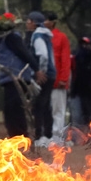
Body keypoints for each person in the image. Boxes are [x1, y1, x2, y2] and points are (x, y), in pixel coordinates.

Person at [0, 12, 39, 138]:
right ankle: (14, 136)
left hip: (16, 77)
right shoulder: (2, 39)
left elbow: (25, 54)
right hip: (9, 78)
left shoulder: (12, 38)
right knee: (10, 110)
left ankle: (20, 137)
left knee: (15, 109)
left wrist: (37, 69)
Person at [27, 11, 55, 148]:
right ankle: (48, 135)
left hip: (45, 74)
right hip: (51, 73)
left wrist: (41, 72)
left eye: (28, 20)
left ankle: (40, 135)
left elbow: (43, 55)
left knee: (39, 105)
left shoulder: (37, 36)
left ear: (33, 22)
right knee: (46, 104)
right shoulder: (46, 35)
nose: (27, 23)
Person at [45, 11, 71, 143]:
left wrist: (63, 79)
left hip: (57, 82)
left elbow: (65, 59)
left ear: (52, 22)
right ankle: (46, 137)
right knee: (46, 111)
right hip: (44, 81)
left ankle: (57, 139)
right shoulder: (40, 37)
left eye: (46, 20)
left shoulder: (61, 37)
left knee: (58, 111)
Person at [69, 37, 91, 130]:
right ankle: (76, 139)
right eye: (83, 45)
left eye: (88, 45)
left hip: (90, 96)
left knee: (90, 118)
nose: (85, 47)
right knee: (76, 117)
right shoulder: (77, 60)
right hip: (77, 92)